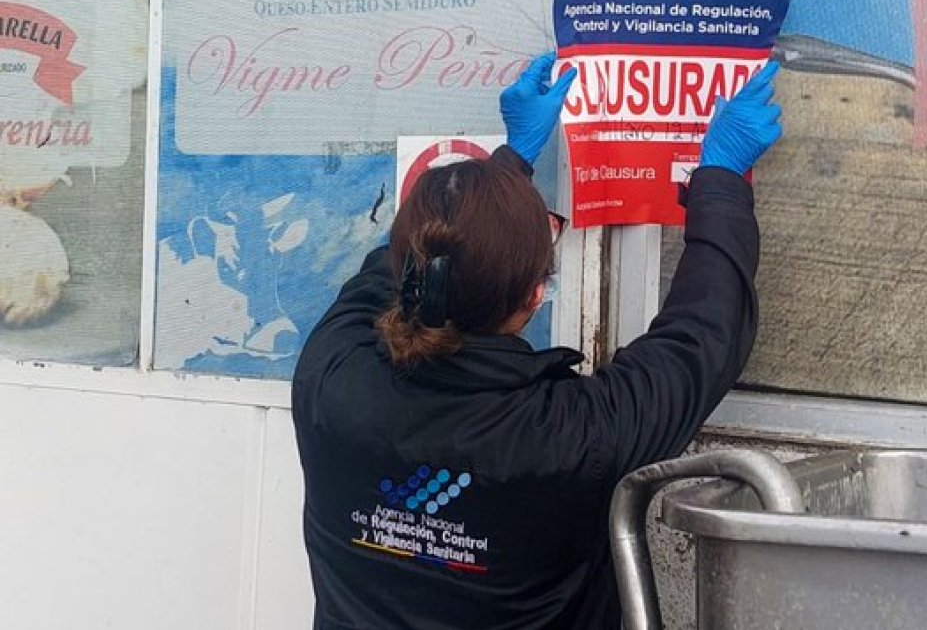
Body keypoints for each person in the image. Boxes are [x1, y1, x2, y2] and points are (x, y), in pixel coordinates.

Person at [292, 52, 783, 629]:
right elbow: (700, 334)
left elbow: (398, 270)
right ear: (533, 297)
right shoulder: (568, 438)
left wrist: (502, 171)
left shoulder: (331, 378)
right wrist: (720, 181)